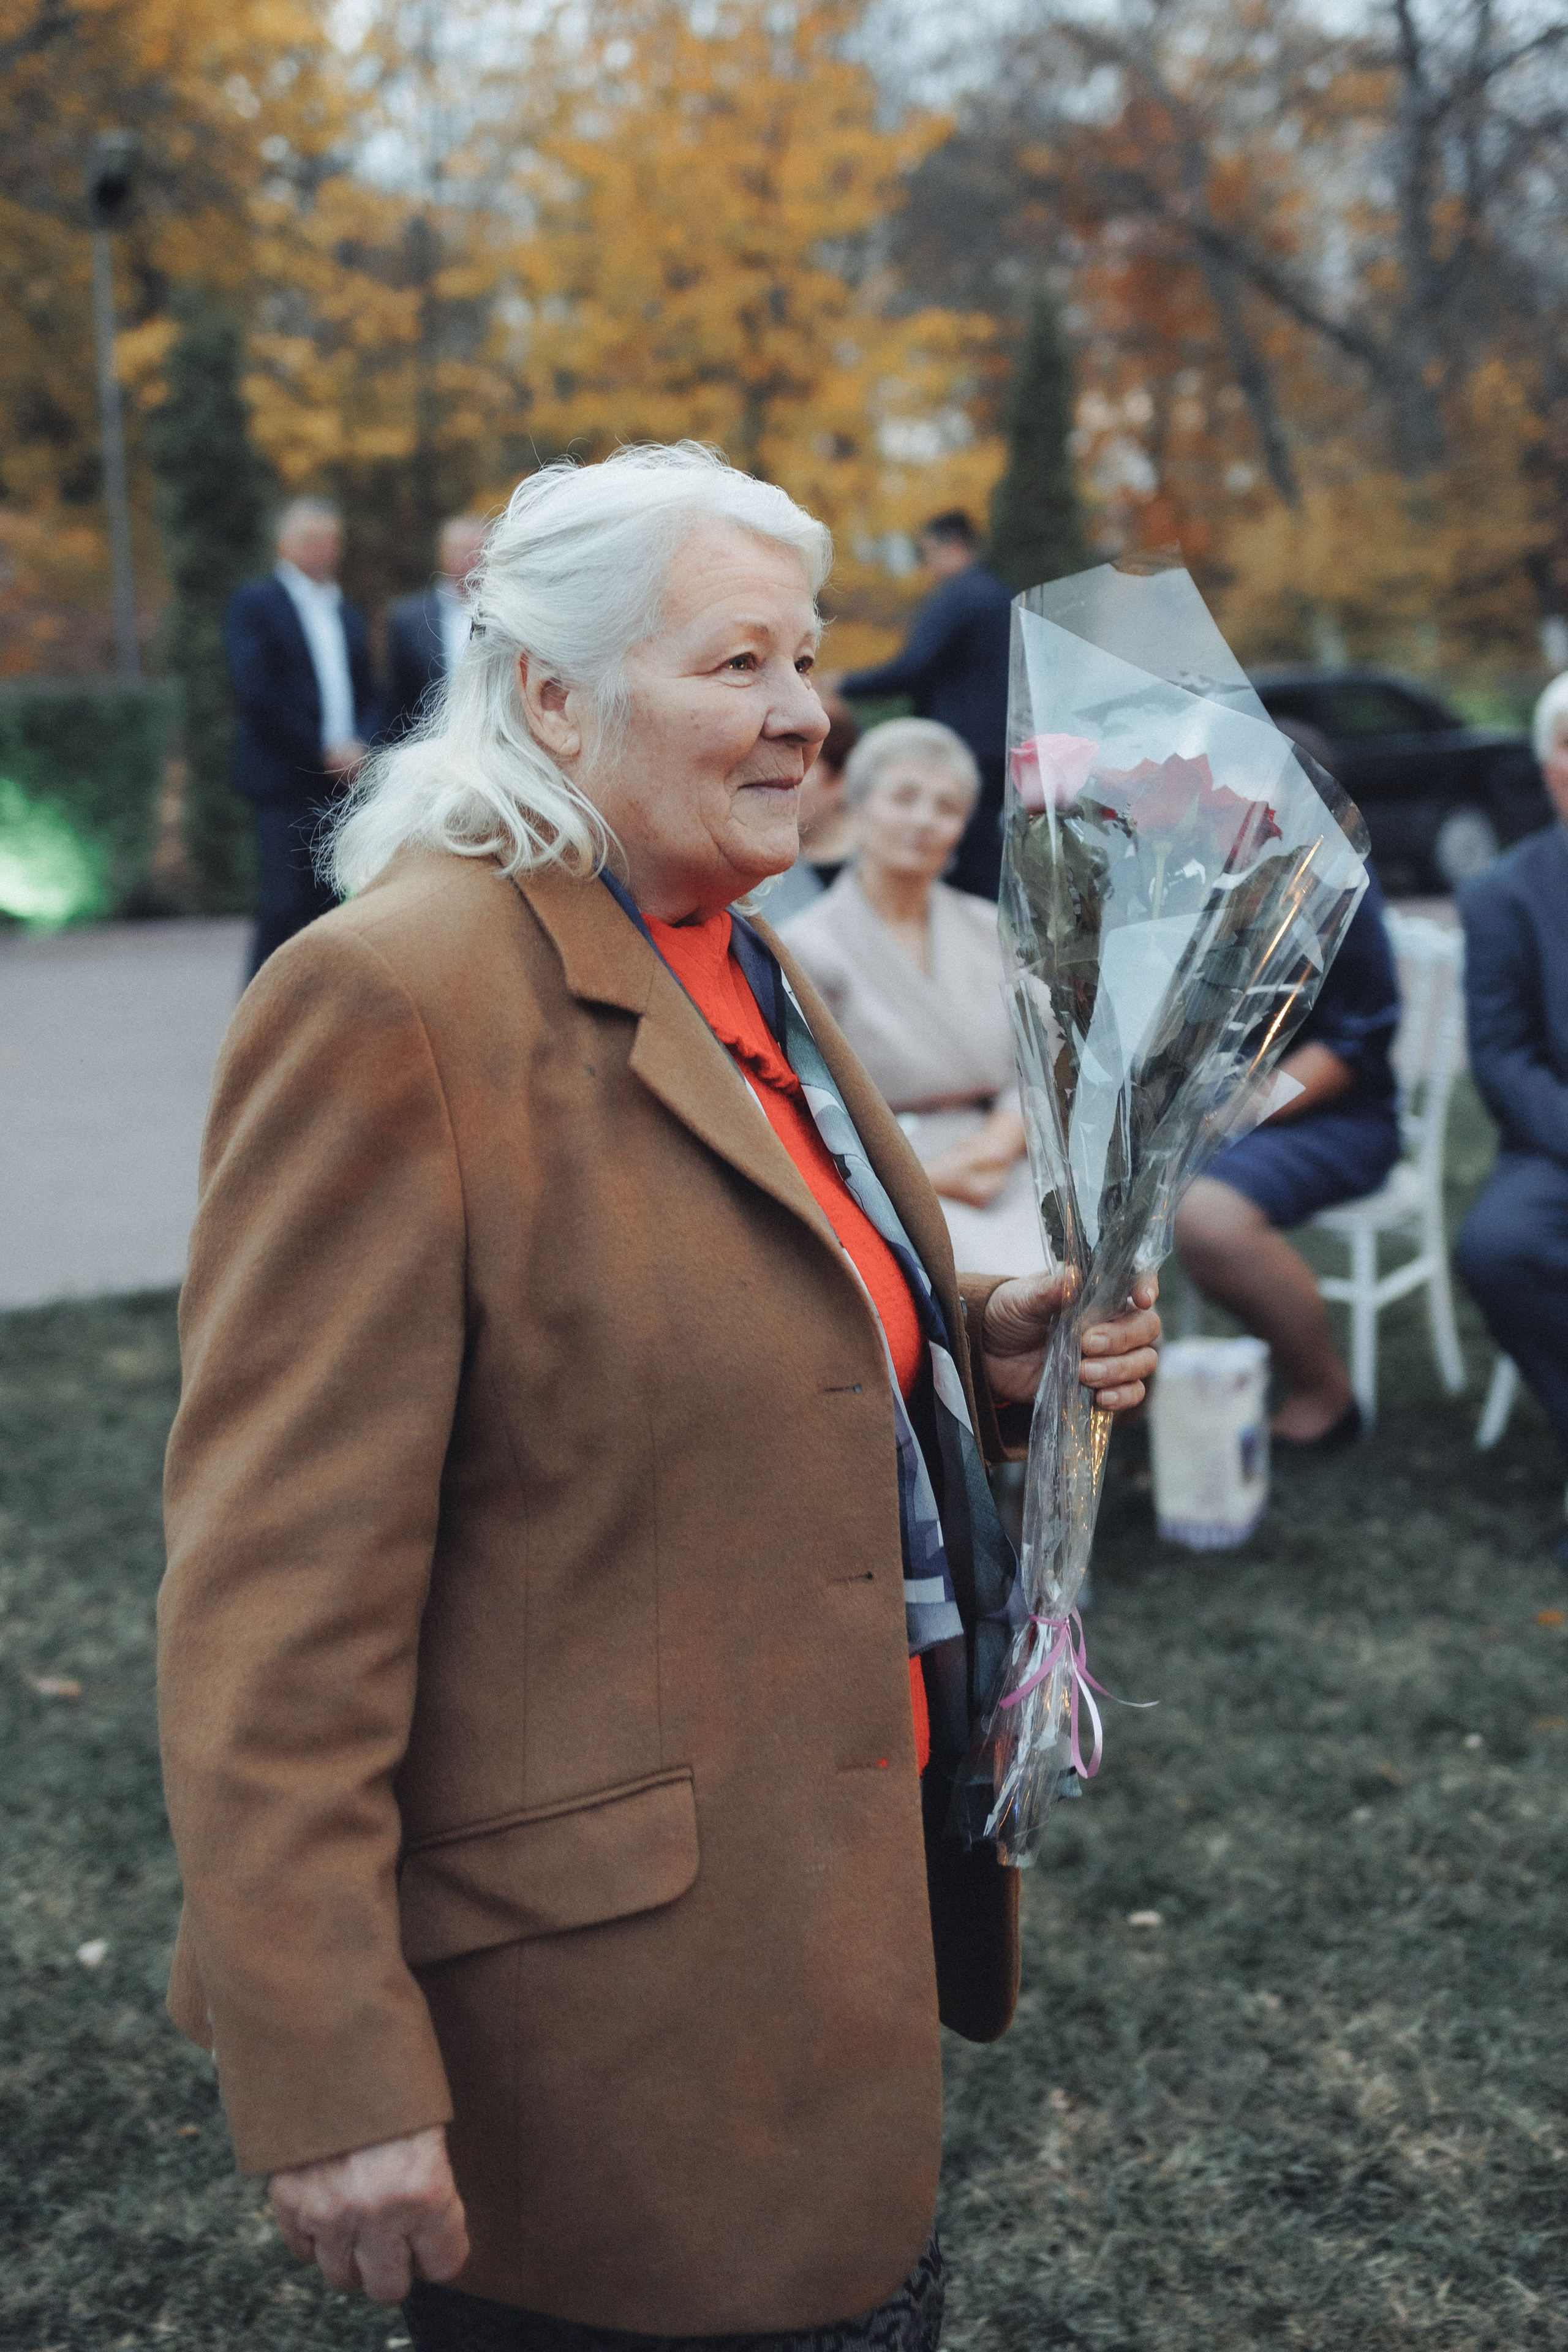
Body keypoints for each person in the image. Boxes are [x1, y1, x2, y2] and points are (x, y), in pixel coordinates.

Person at [157, 444, 1160, 2352]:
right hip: (599, 2026)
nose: (806, 715)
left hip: (819, 1932)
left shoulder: (738, 953)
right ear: (552, 693)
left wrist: (983, 1354)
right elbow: (272, 1600)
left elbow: (772, 1326)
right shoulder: (394, 998)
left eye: (812, 656)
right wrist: (329, 2064)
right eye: (736, 665)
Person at [781, 718, 1040, 1280]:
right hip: (885, 1177)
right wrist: (930, 1175)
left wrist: (999, 1143)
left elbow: (1042, 1063)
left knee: (1082, 1267)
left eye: (946, 807)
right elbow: (808, 1105)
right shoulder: (808, 945)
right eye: (904, 798)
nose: (924, 820)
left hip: (1013, 1157)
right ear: (858, 804)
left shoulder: (990, 928)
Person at [1174, 815, 1401, 1448]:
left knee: (1207, 1218)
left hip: (1338, 1117)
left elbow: (1355, 1044)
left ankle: (1323, 1393)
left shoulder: (1339, 883)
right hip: (1207, 1115)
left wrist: (1228, 1116)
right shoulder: (1190, 873)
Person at [1455, 671, 1568, 1551]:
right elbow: (1503, 1058)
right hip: (1554, 1136)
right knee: (1499, 1244)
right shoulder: (1504, 895)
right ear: (1549, 766)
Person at [819, 512, 1012, 900]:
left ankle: (967, 937)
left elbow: (913, 667)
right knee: (986, 848)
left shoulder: (957, 597)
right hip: (1000, 744)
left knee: (960, 855)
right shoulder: (1001, 595)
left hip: (961, 747)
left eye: (928, 554)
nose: (926, 568)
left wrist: (844, 684)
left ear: (951, 546)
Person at [225, 498, 377, 976]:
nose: (323, 551)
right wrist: (320, 752)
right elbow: (257, 692)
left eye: (331, 542)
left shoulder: (347, 613)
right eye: (311, 541)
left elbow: (370, 692)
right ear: (284, 546)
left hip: (341, 784)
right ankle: (258, 1030)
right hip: (284, 781)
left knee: (333, 906)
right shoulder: (256, 604)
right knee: (283, 909)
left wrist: (361, 747)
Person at [383, 513, 491, 742]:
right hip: (429, 747)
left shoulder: (506, 613)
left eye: (476, 551)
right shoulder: (408, 619)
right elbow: (397, 702)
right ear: (443, 554)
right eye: (460, 551)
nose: (469, 560)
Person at [755, 696, 859, 924]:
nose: (778, 781)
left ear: (841, 780)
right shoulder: (756, 870)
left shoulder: (885, 865)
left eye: (799, 767)